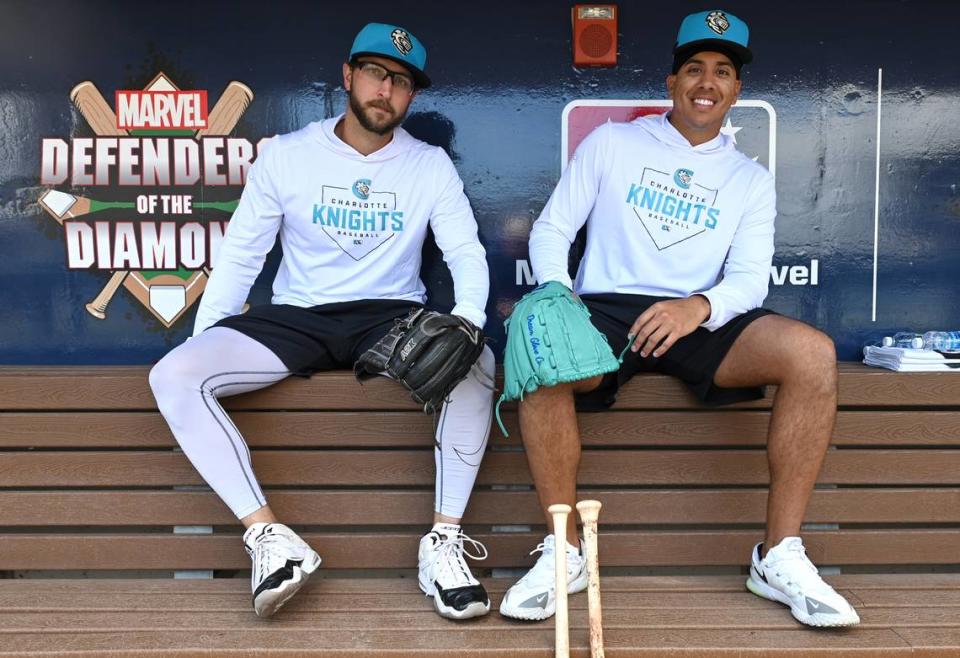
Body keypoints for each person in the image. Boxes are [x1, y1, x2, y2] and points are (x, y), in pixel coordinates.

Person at [498, 9, 860, 628]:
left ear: (737, 91)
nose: (707, 81)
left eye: (722, 71)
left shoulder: (749, 178)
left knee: (811, 353)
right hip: (606, 307)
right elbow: (555, 228)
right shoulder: (614, 142)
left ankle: (777, 556)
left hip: (697, 315)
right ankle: (565, 552)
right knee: (542, 348)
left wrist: (699, 306)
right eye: (694, 68)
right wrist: (559, 297)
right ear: (671, 83)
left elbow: (747, 280)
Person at [149, 22, 495, 621]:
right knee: (174, 374)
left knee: (479, 363)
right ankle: (269, 539)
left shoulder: (429, 164)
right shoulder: (286, 155)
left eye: (402, 82)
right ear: (348, 76)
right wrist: (210, 338)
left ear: (411, 96)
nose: (386, 90)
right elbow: (241, 254)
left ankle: (442, 544)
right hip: (298, 318)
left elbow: (466, 252)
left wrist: (466, 321)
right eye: (376, 74)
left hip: (389, 318)